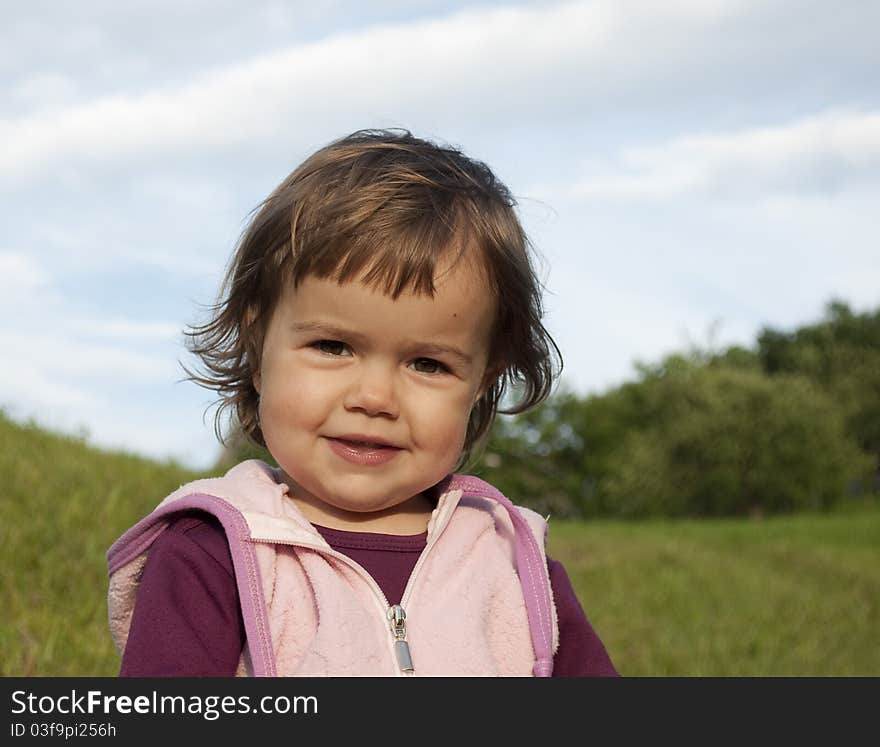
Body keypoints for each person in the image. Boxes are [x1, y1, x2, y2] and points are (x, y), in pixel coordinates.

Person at [107, 129, 618, 677]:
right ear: (259, 352)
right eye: (333, 346)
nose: (375, 398)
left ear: (480, 383)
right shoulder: (213, 554)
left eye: (428, 364)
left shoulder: (515, 567)